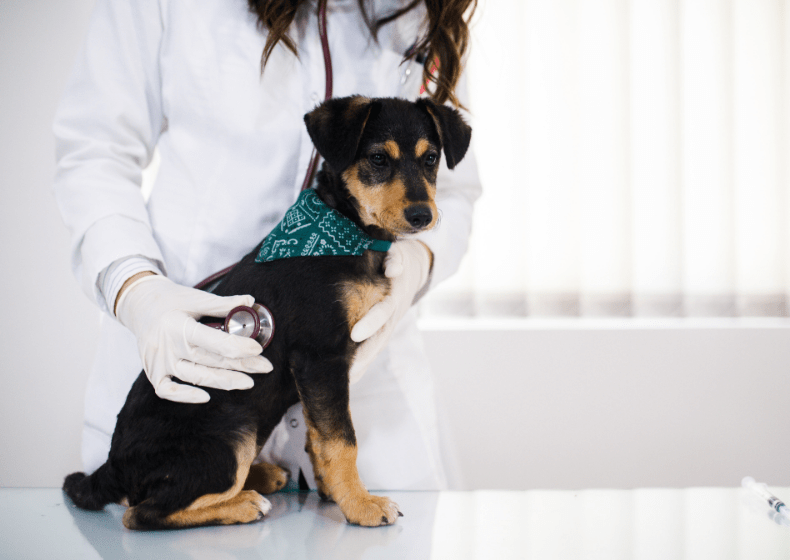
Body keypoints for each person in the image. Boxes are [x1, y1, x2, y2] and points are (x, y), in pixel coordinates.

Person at [53, 0, 481, 492]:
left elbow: (457, 190)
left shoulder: (426, 13)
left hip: (369, 395)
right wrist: (134, 288)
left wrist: (416, 265)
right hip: (188, 361)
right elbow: (94, 151)